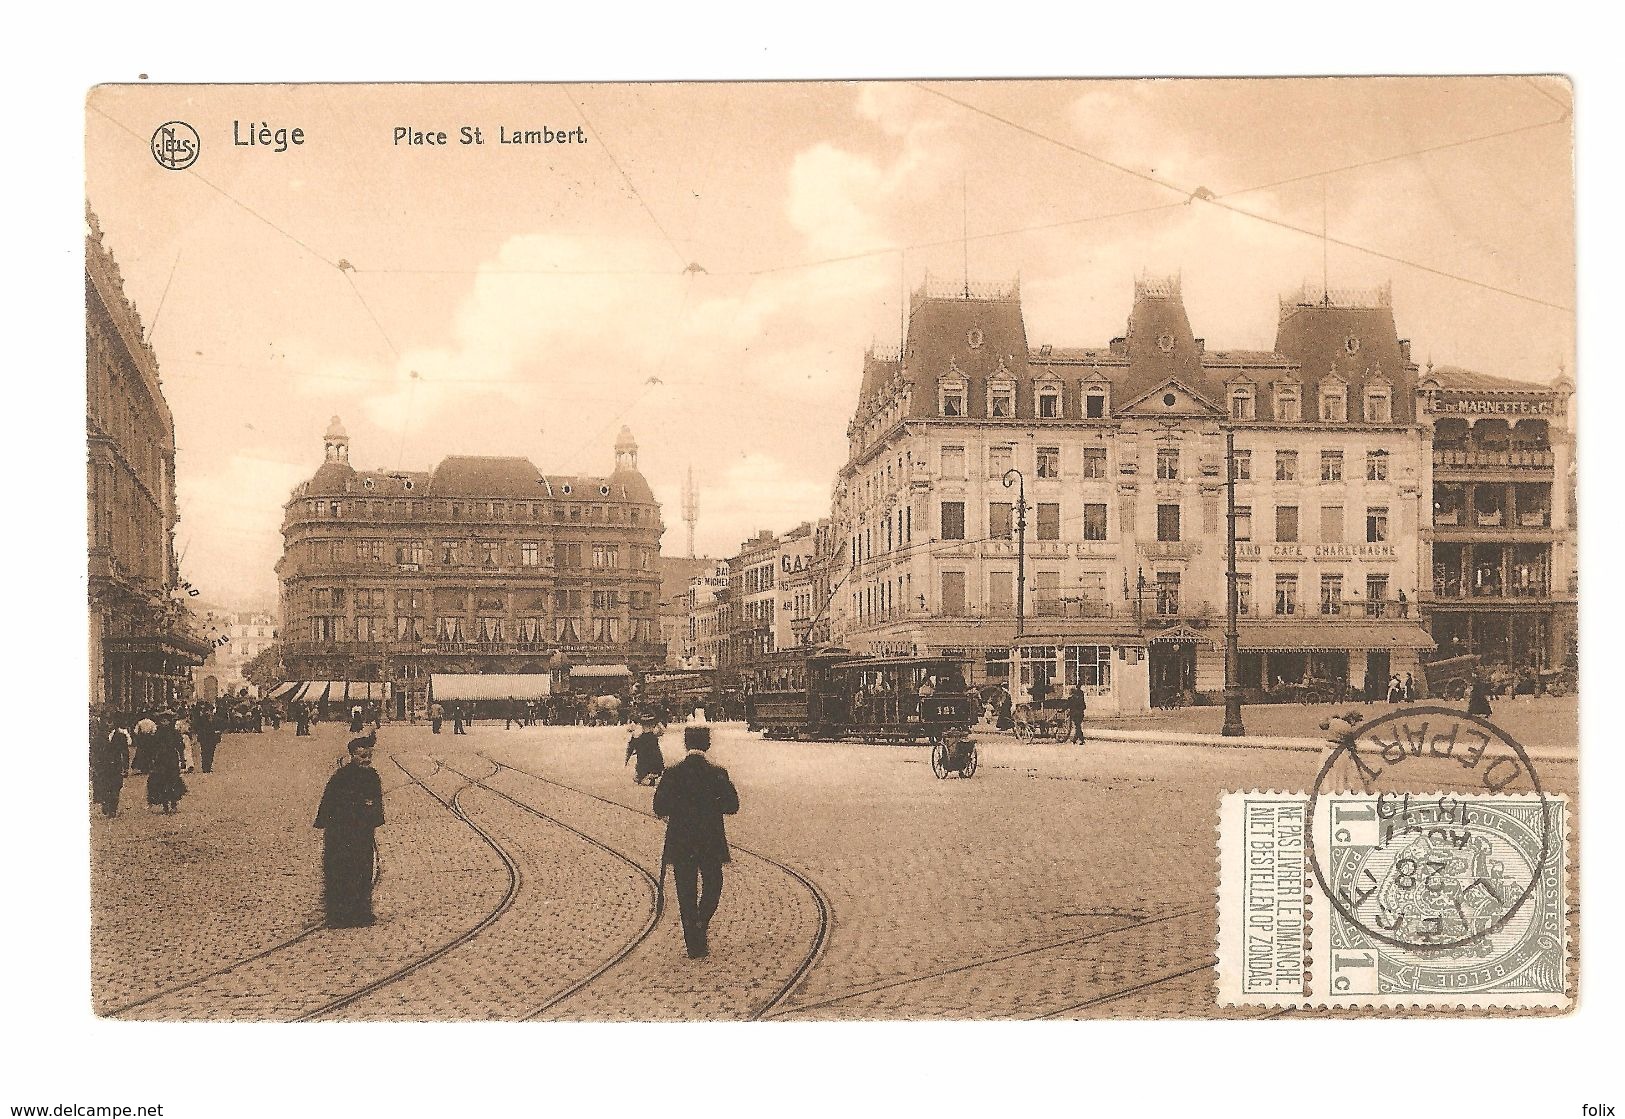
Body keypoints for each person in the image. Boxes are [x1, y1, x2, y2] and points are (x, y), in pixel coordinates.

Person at [653, 726, 739, 959]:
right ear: (707, 745)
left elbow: (659, 807)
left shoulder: (672, 773)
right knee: (714, 883)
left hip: (681, 842)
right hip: (710, 841)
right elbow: (732, 807)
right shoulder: (718, 773)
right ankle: (701, 921)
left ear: (686, 744)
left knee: (685, 891)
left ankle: (693, 943)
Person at [314, 735, 386, 928]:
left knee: (363, 871)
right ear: (352, 755)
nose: (367, 761)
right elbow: (328, 804)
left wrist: (371, 817)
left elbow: (376, 804)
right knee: (340, 871)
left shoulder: (373, 777)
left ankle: (362, 912)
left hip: (362, 833)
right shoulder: (341, 777)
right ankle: (339, 915)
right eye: (362, 757)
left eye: (369, 757)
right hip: (341, 834)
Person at [145, 711, 187, 814]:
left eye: (166, 720)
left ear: (170, 721)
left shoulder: (174, 733)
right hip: (160, 760)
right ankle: (165, 804)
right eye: (162, 720)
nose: (164, 723)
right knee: (161, 781)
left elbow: (180, 747)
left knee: (173, 780)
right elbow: (151, 748)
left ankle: (173, 803)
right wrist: (151, 760)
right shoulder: (157, 733)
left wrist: (182, 760)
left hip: (172, 758)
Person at [91, 715, 129, 818]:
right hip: (103, 766)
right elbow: (93, 752)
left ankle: (113, 809)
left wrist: (126, 767)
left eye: (111, 722)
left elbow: (125, 752)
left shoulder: (121, 736)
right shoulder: (98, 737)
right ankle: (105, 804)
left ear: (115, 723)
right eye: (106, 722)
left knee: (115, 787)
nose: (108, 724)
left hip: (116, 766)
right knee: (104, 786)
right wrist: (93, 765)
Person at [626, 712, 667, 786]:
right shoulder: (654, 732)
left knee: (644, 759)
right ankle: (650, 776)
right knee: (654, 758)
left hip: (644, 740)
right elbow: (662, 731)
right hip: (651, 740)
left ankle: (643, 776)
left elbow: (629, 730)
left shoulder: (639, 733)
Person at [196, 706, 221, 773]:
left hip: (212, 738)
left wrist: (217, 733)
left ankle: (209, 766)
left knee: (211, 752)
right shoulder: (201, 719)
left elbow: (218, 727)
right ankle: (204, 767)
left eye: (211, 711)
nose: (209, 712)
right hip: (204, 738)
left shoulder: (215, 719)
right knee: (204, 752)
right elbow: (199, 728)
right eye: (207, 710)